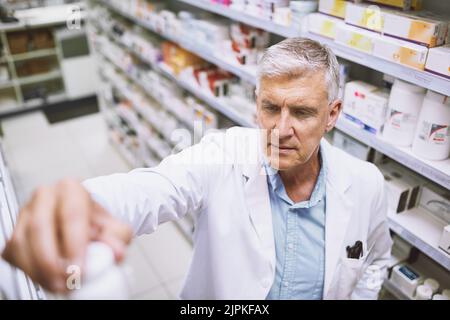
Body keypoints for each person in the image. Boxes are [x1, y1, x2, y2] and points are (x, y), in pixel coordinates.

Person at [2, 38, 392, 300]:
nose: (281, 129)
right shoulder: (221, 156)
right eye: (271, 108)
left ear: (332, 115)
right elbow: (152, 189)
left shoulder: (366, 184)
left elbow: (376, 259)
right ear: (256, 103)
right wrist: (78, 206)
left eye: (303, 112)